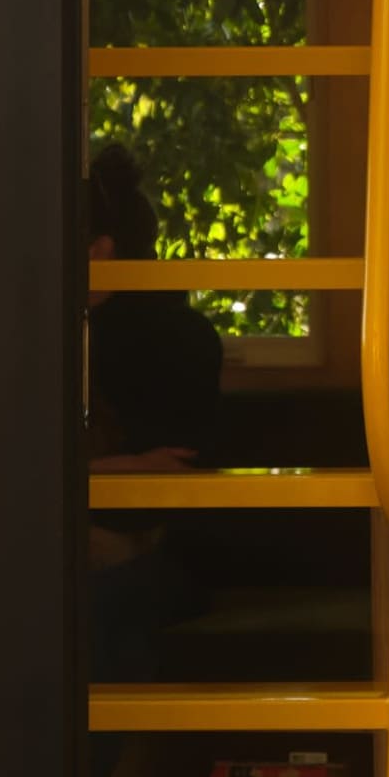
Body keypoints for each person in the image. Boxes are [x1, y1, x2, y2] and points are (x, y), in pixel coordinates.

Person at [85, 144, 227, 686]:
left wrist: (75, 477)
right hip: (88, 542)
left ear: (101, 250)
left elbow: (173, 473)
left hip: (166, 552)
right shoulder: (62, 331)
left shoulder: (176, 337)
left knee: (91, 606)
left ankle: (102, 773)